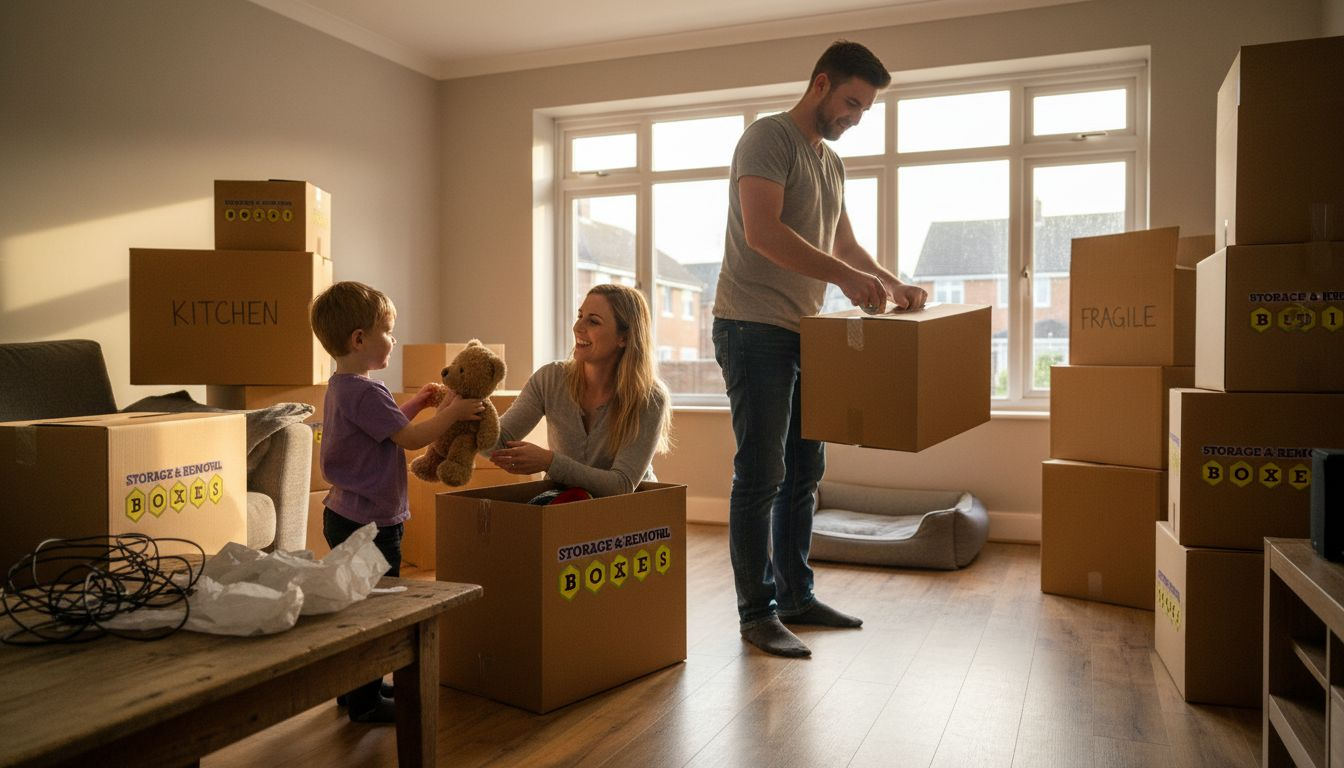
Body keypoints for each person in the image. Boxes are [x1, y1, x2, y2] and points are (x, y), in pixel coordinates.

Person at [712, 40, 928, 658]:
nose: (855, 118)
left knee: (806, 471)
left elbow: (845, 243)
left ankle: (797, 597)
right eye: (852, 103)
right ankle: (758, 613)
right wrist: (845, 280)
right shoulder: (768, 138)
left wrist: (889, 280)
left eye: (864, 110)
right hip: (752, 328)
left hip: (807, 332)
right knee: (762, 474)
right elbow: (763, 233)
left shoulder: (829, 163)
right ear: (821, 84)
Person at [309, 280, 484, 723]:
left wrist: (419, 403)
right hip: (370, 522)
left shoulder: (345, 387)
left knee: (356, 602)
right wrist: (451, 414)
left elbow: (386, 429)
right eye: (388, 330)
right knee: (377, 609)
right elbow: (406, 440)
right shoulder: (364, 392)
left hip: (344, 513)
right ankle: (366, 704)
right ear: (359, 339)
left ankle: (353, 690)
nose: (394, 339)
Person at [487, 283, 671, 497]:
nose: (577, 327)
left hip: (627, 512)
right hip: (567, 504)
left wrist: (549, 462)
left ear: (624, 338)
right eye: (580, 315)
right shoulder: (550, 379)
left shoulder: (649, 397)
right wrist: (464, 412)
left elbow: (621, 485)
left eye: (593, 321)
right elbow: (495, 444)